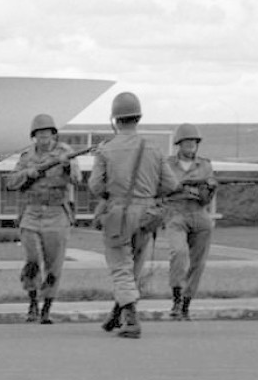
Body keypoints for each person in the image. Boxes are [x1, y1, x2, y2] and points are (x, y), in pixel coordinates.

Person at [89, 92, 179, 339]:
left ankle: (131, 320)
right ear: (137, 117)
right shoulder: (153, 148)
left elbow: (96, 185)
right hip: (148, 214)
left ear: (115, 120)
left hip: (118, 214)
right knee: (134, 268)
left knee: (120, 268)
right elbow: (171, 184)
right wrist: (148, 194)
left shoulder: (106, 149)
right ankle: (117, 314)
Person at [6, 114, 80, 324]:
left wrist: (66, 166)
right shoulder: (26, 157)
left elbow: (77, 178)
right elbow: (11, 182)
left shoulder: (65, 153)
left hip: (56, 212)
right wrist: (28, 173)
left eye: (47, 133)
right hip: (31, 212)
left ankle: (47, 307)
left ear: (53, 134)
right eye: (39, 133)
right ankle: (32, 302)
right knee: (32, 260)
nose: (43, 137)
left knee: (54, 263)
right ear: (34, 136)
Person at [162, 123, 217, 321]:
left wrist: (206, 189)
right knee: (178, 252)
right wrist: (181, 188)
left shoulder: (205, 165)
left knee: (198, 262)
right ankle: (176, 296)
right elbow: (163, 188)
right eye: (187, 141)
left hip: (199, 212)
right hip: (176, 212)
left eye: (194, 142)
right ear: (179, 143)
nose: (191, 145)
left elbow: (208, 192)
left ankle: (186, 302)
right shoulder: (168, 164)